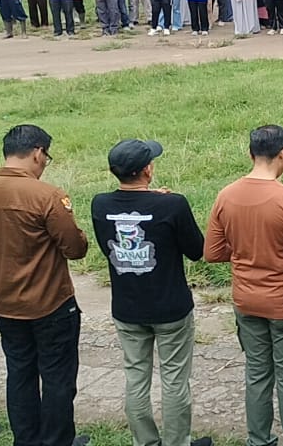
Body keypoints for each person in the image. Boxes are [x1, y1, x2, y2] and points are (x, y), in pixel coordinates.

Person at [0, 125, 90, 446]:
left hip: (6, 305)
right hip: (52, 304)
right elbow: (75, 249)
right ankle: (57, 441)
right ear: (38, 152)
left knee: (19, 375)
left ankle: (27, 440)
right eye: (46, 156)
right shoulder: (47, 195)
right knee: (57, 379)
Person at [204, 125, 283, 446]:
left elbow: (212, 253)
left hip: (246, 300)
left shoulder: (226, 195)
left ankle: (259, 440)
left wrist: (244, 250)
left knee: (257, 374)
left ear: (250, 153)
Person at [90, 140, 211, 446]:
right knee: (174, 380)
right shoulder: (172, 204)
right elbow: (197, 250)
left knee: (135, 376)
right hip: (170, 306)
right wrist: (163, 205)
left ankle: (144, 441)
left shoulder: (100, 204)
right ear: (147, 170)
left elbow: (108, 247)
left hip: (127, 306)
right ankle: (176, 442)